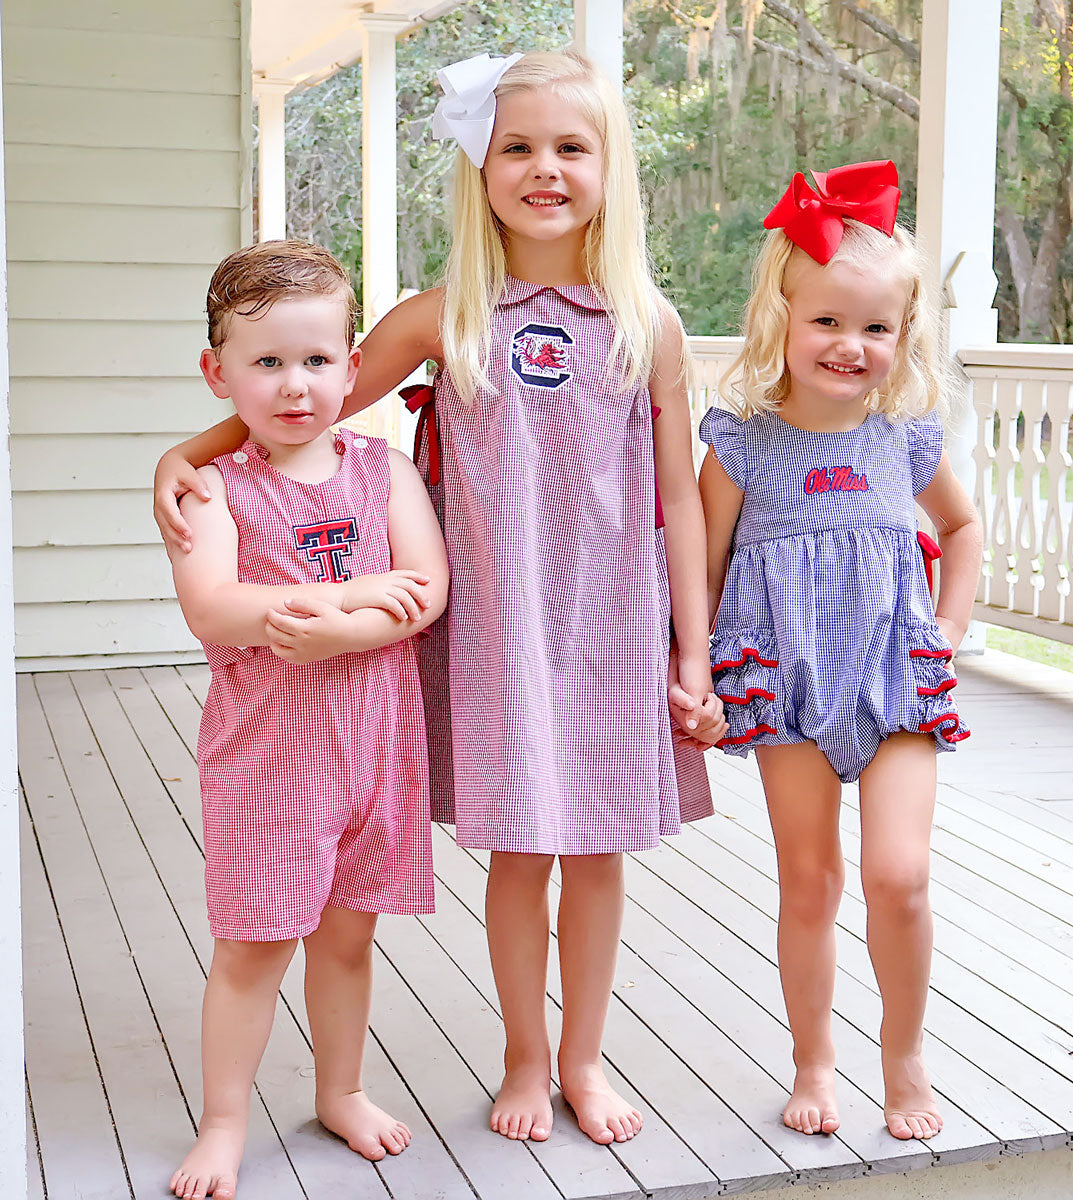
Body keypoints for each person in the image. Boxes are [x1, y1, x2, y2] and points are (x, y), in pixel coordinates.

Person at [153, 51, 724, 1149]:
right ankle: (520, 1056)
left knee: (596, 853)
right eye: (516, 146)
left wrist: (689, 654)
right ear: (481, 165)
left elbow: (681, 504)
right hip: (497, 630)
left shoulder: (645, 323)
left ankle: (583, 1059)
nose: (543, 169)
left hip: (608, 626)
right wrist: (186, 452)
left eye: (570, 147)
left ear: (612, 167)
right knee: (520, 852)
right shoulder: (442, 314)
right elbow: (307, 402)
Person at [698, 161, 983, 1142]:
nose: (849, 345)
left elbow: (964, 529)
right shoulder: (743, 440)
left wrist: (943, 633)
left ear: (903, 338)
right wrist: (693, 673)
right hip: (786, 677)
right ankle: (813, 1059)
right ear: (783, 313)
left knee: (898, 874)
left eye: (875, 327)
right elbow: (702, 560)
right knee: (810, 879)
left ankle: (903, 1053)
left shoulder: (903, 435)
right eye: (827, 321)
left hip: (894, 676)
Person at [166, 240, 448, 1200]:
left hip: (373, 753)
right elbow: (215, 606)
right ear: (219, 372)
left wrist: (336, 626)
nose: (296, 386)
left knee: (346, 938)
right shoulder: (214, 489)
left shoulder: (383, 470)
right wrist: (360, 601)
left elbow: (427, 589)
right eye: (267, 362)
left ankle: (342, 1089)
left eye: (318, 360)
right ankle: (224, 1121)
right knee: (254, 945)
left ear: (352, 364)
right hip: (269, 764)